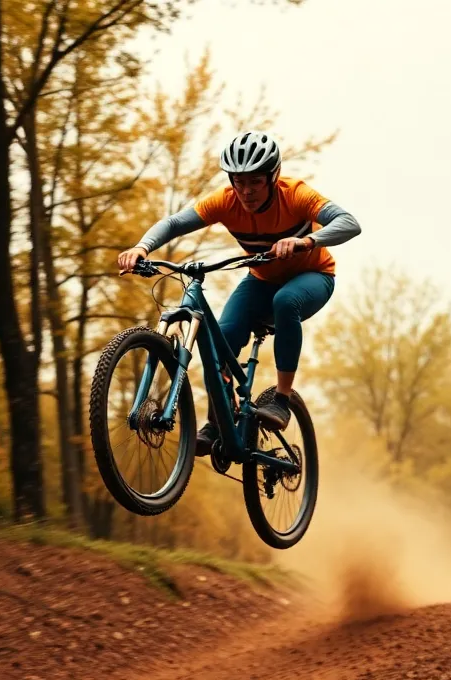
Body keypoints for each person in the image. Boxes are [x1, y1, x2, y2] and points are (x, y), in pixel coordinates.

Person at [117, 130, 362, 456]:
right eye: (238, 181)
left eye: (255, 182)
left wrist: (307, 241)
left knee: (285, 301)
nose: (245, 191)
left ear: (272, 177)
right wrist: (141, 247)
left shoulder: (296, 195)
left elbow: (349, 223)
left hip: (313, 275)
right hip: (260, 278)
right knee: (219, 336)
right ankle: (218, 419)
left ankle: (281, 400)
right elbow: (175, 223)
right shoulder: (226, 201)